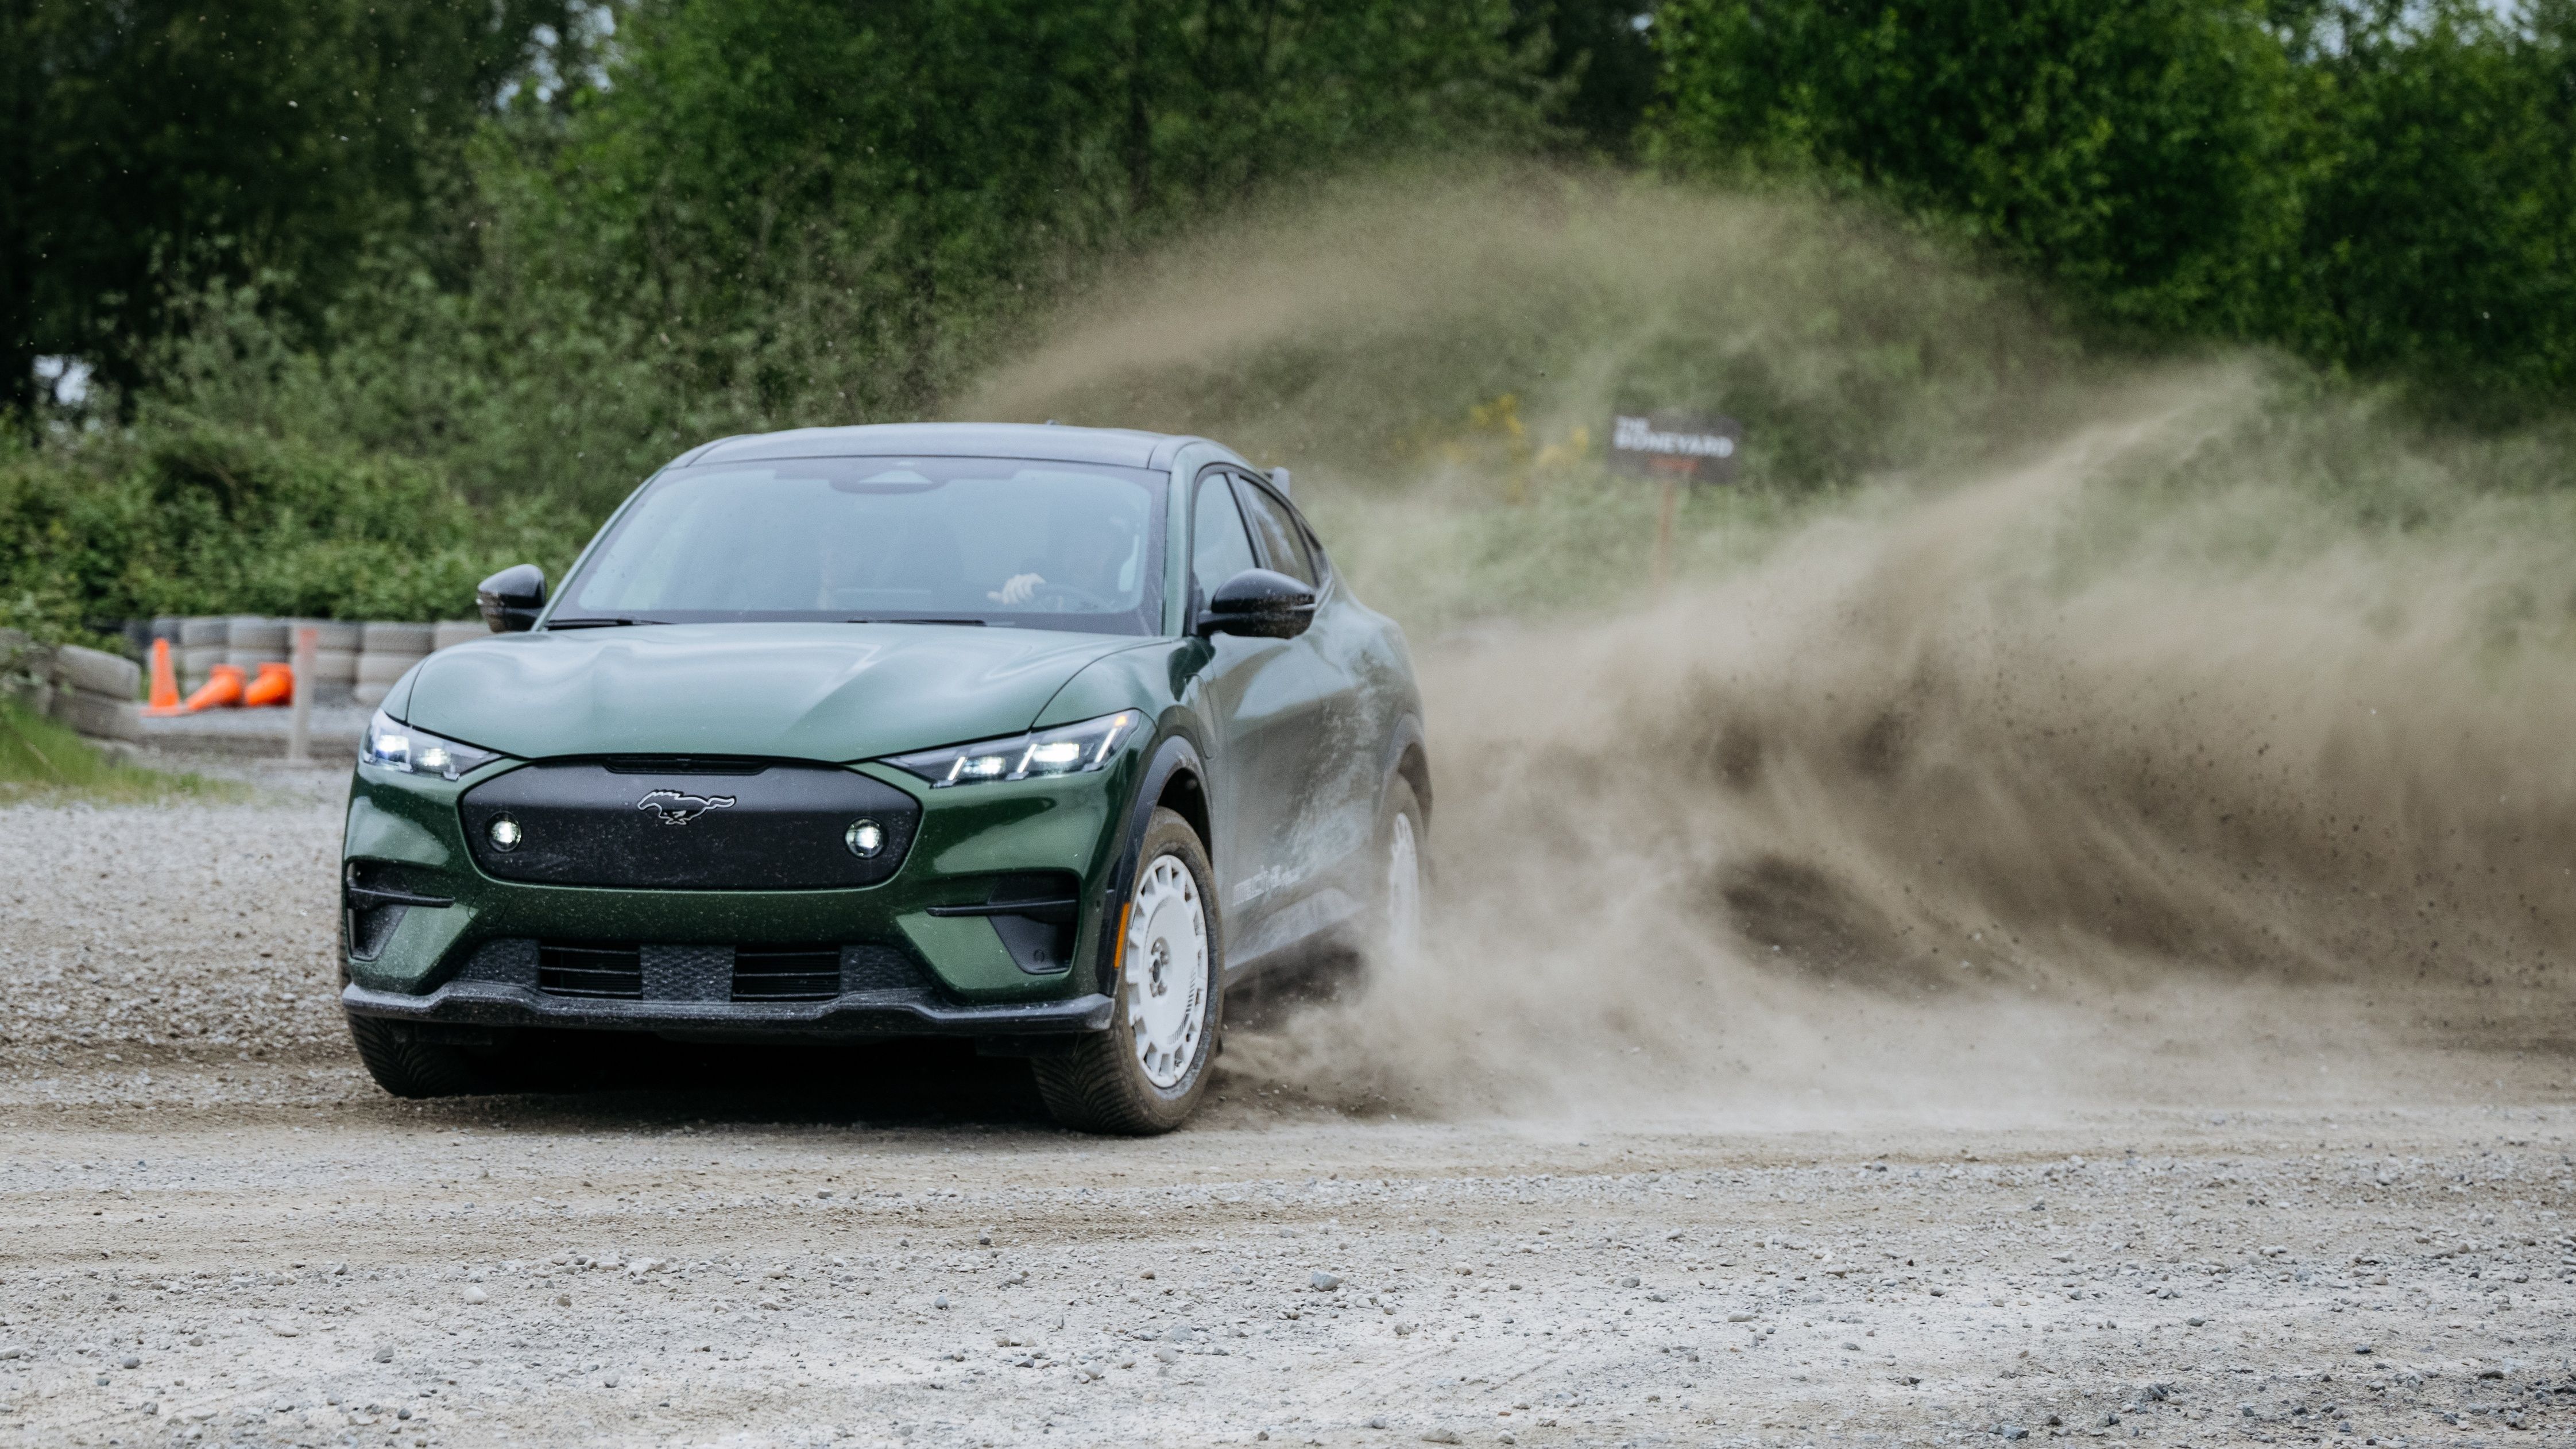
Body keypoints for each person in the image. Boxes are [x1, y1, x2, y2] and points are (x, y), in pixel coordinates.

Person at [990, 512, 1135, 610]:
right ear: (1060, 552)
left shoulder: (1133, 612)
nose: (1085, 555)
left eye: (1099, 547)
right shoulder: (1041, 603)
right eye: (1076, 544)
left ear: (1117, 558)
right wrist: (1020, 593)